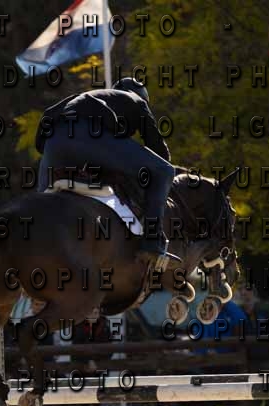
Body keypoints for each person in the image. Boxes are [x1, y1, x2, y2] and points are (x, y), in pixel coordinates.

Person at [35, 77, 179, 267]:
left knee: (39, 207)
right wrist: (163, 181)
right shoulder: (137, 101)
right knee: (164, 171)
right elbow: (158, 149)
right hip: (85, 133)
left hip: (53, 143)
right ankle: (152, 243)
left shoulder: (94, 98)